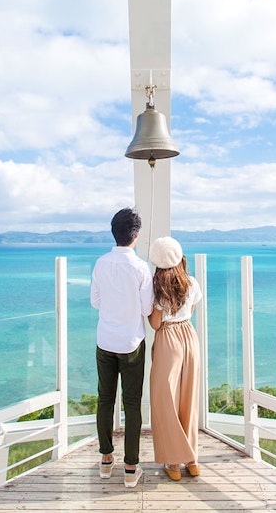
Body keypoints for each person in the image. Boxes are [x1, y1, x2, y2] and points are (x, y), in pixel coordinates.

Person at [90, 207, 154, 487]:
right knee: (132, 403)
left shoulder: (101, 263)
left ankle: (106, 460)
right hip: (131, 344)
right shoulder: (140, 267)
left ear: (114, 233)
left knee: (105, 399)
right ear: (136, 235)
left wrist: (114, 306)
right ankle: (130, 467)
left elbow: (95, 301)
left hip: (105, 340)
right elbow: (147, 308)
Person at [147, 236, 203, 481]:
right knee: (188, 399)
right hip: (190, 337)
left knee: (165, 400)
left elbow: (156, 324)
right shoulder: (191, 283)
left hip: (168, 338)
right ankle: (192, 461)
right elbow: (189, 312)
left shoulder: (158, 287)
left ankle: (173, 462)